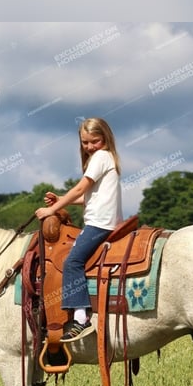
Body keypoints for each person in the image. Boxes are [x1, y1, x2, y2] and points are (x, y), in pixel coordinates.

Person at [35, 117, 123, 342]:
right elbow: (89, 198)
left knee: (71, 262)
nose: (90, 146)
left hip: (100, 223)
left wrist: (52, 209)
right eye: (85, 143)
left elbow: (81, 188)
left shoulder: (100, 157)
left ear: (106, 138)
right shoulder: (106, 157)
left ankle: (81, 318)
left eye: (95, 141)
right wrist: (61, 199)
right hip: (104, 219)